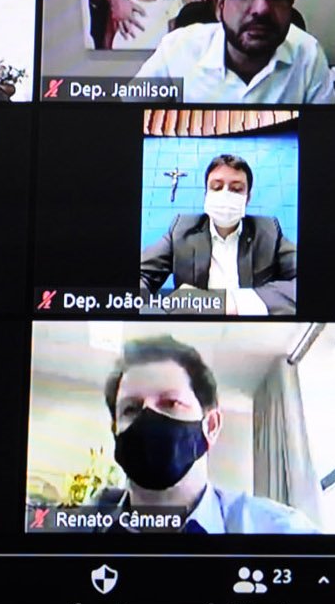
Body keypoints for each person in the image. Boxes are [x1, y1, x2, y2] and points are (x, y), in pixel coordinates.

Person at [91, 337, 317, 533]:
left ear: (211, 426)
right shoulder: (80, 526)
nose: (147, 416)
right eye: (131, 409)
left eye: (170, 403)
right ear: (115, 430)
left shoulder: (282, 531)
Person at [136, 0, 335, 103]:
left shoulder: (308, 54)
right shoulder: (177, 48)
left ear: (291, 2)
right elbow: (127, 115)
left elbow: (325, 135)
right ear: (220, 4)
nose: (261, 9)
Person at [140, 153, 296, 315]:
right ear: (206, 194)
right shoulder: (181, 230)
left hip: (252, 327)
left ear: (247, 198)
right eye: (216, 187)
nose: (225, 194)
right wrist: (155, 316)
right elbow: (139, 276)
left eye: (236, 189)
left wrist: (230, 304)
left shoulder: (268, 231)